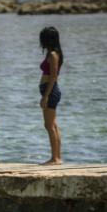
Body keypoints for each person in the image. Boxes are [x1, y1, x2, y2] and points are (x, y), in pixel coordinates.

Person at [38, 26, 64, 165]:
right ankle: (57, 157)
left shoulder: (53, 54)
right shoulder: (51, 53)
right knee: (52, 124)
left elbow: (53, 76)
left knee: (49, 125)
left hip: (51, 90)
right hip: (49, 89)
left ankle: (55, 158)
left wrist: (45, 96)